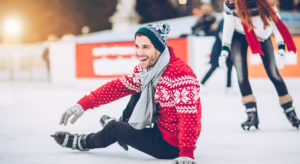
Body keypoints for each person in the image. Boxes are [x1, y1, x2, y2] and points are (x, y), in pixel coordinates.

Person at [51, 23, 201, 164]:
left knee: (114, 128)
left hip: (170, 144)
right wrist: (83, 105)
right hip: (160, 124)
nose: (139, 53)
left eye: (146, 47)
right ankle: (125, 125)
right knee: (138, 89)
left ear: (159, 48)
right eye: (137, 46)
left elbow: (189, 116)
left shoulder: (180, 75)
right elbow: (117, 87)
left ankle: (84, 141)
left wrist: (186, 152)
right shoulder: (148, 71)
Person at [218, 0, 300, 130]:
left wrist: (281, 49)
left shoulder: (268, 2)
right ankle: (252, 114)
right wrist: (224, 49)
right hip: (239, 35)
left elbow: (277, 25)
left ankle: (290, 112)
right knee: (241, 75)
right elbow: (229, 24)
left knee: (273, 73)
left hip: (262, 34)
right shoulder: (231, 2)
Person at [200, 19, 233, 92]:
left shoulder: (227, 20)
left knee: (229, 65)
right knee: (214, 66)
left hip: (224, 48)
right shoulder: (224, 21)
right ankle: (202, 83)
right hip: (219, 49)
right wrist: (226, 44)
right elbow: (221, 34)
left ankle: (229, 86)